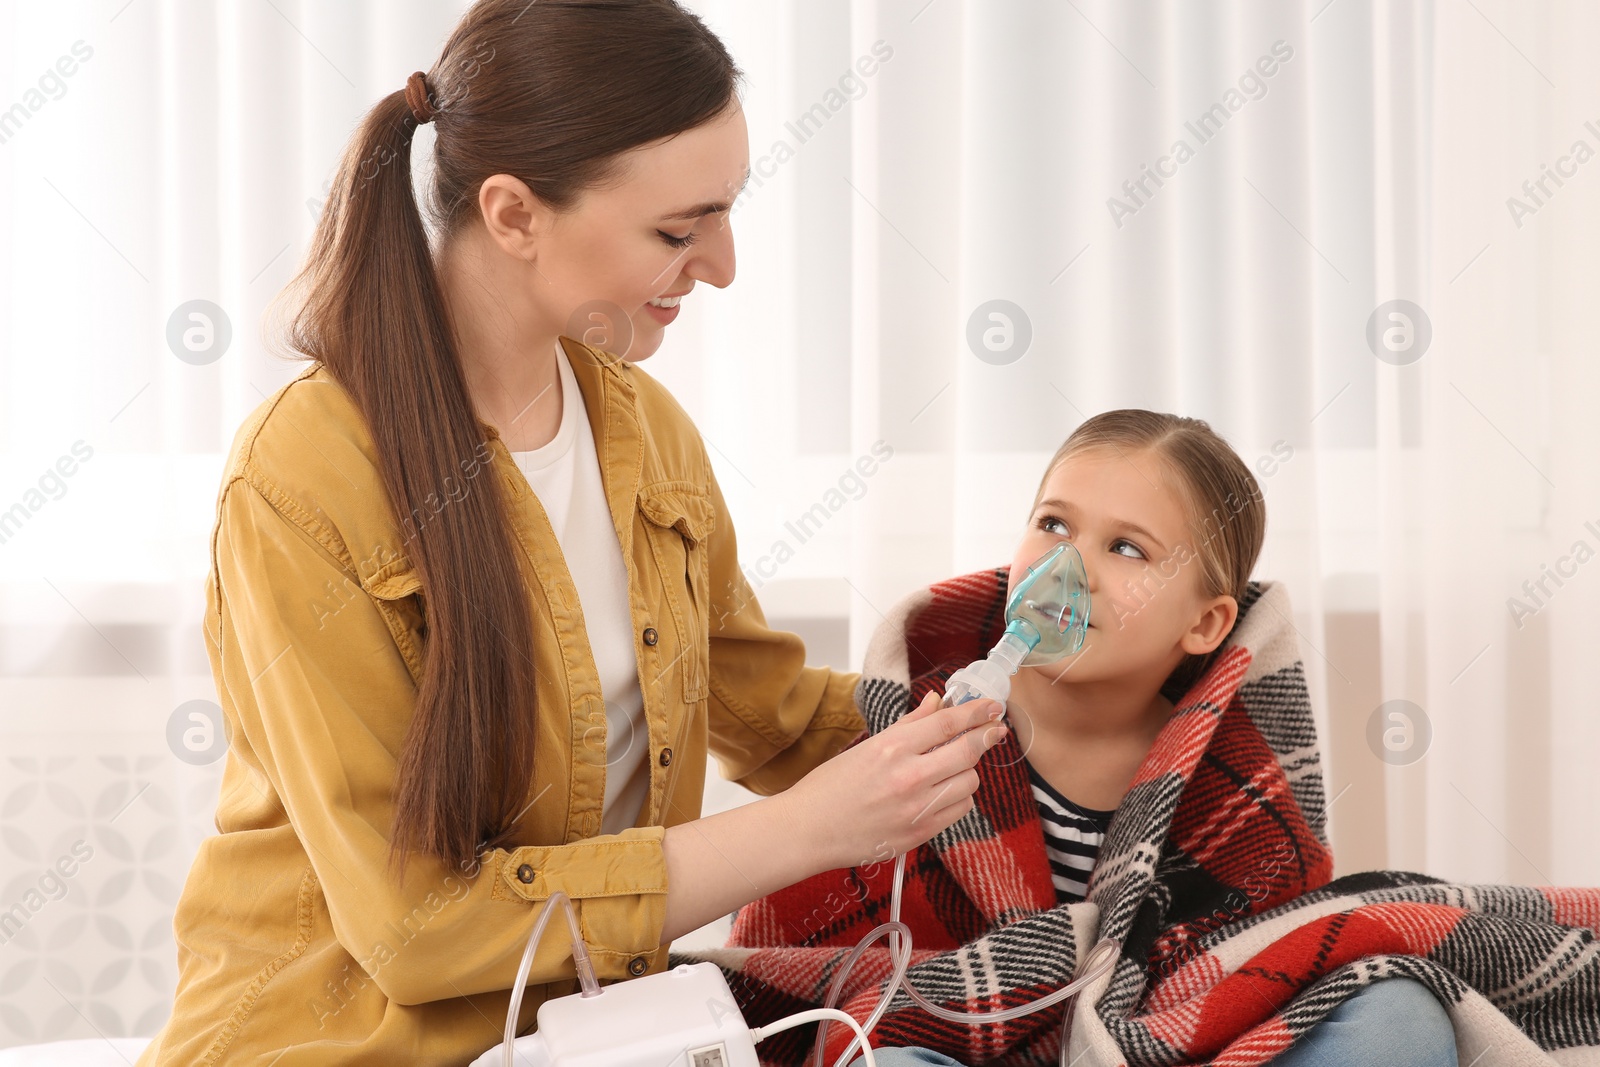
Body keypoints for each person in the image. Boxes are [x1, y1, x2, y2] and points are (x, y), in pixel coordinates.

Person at [134, 2, 1005, 1064]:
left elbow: (771, 715)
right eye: (678, 231)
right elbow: (419, 929)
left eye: (723, 218)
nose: (722, 266)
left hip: (585, 1033)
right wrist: (807, 828)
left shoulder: (642, 431)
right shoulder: (302, 479)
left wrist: (998, 701)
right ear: (512, 214)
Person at [696, 410, 1459, 1067]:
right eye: (1054, 524)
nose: (1069, 567)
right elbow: (830, 962)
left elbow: (1264, 953)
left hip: (1162, 1044)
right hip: (962, 1041)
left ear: (1205, 624)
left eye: (1127, 549)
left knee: (1397, 1013)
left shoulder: (1231, 777)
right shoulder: (914, 737)